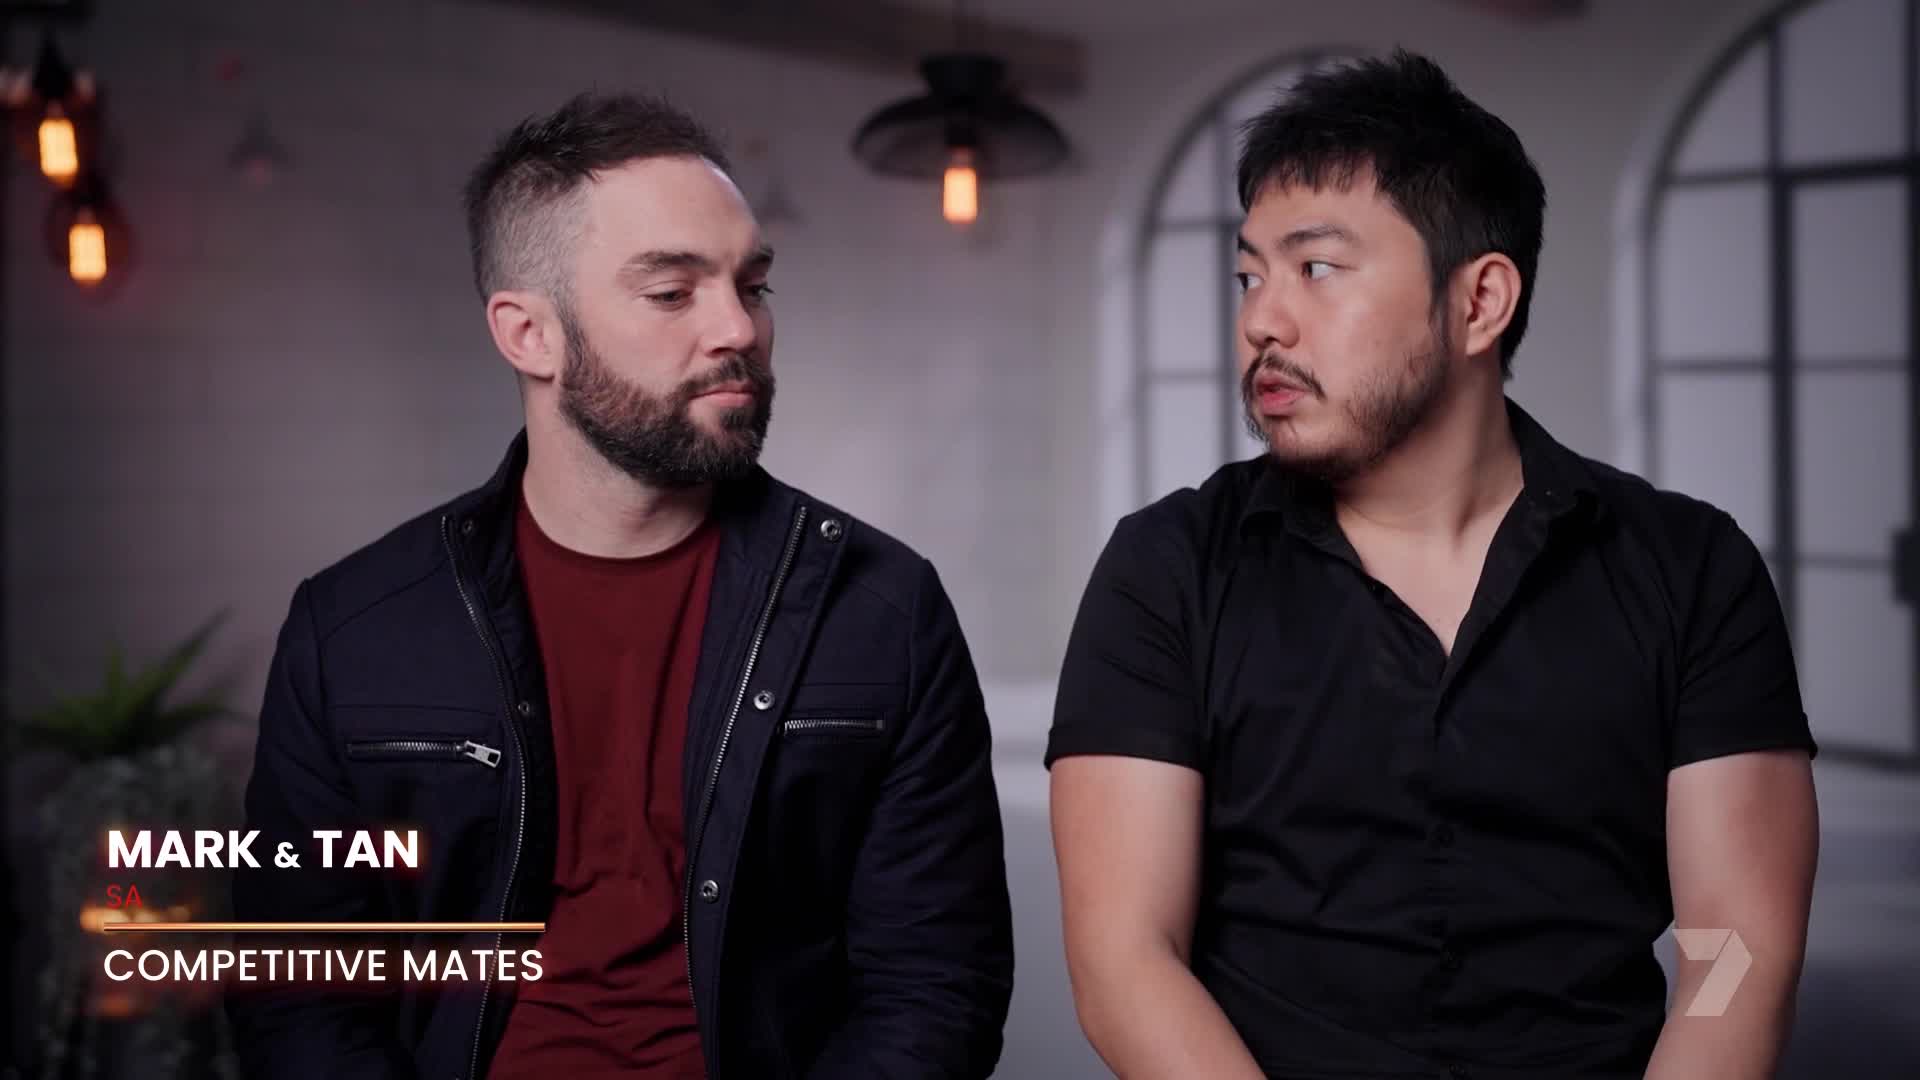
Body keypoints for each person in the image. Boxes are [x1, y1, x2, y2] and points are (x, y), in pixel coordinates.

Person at [1047, 49, 1817, 1080]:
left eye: (1317, 269)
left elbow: (1733, 956)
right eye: (1249, 275)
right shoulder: (1167, 568)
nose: (1261, 319)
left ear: (1480, 301)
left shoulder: (1689, 567)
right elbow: (1126, 962)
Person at [227, 92, 1014, 1080]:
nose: (739, 328)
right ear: (529, 334)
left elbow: (936, 985)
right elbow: (299, 993)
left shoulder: (884, 610)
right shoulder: (350, 629)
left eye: (754, 285)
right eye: (673, 292)